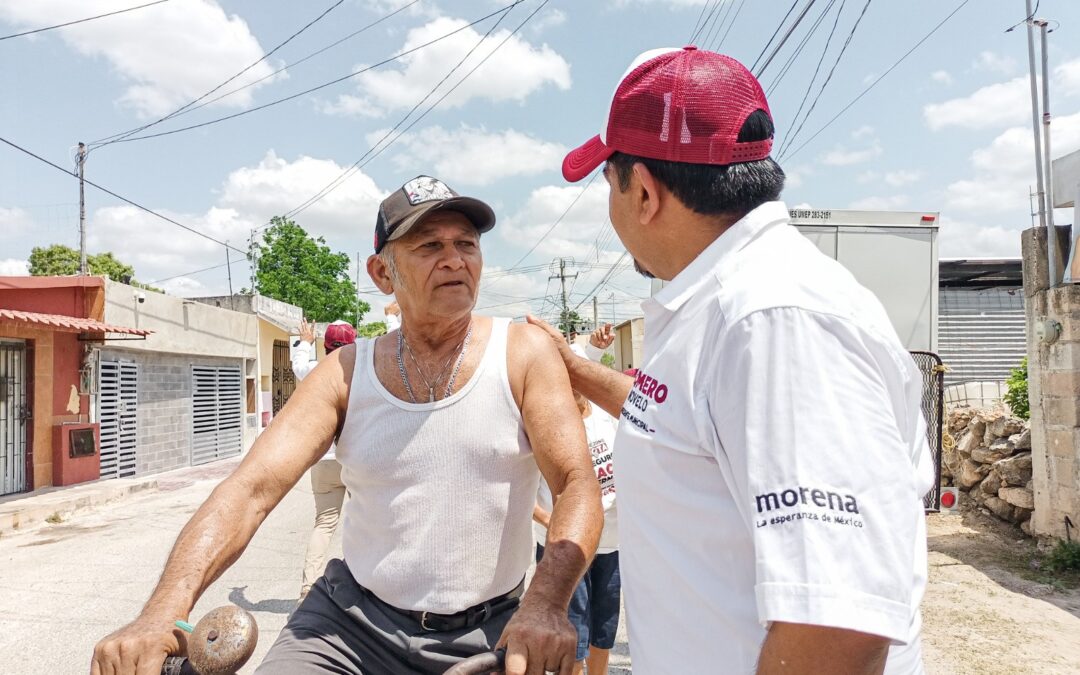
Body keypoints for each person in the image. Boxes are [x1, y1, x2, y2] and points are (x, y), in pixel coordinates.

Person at [93, 175, 602, 675]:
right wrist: (162, 612)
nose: (454, 259)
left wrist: (546, 603)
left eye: (466, 243)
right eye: (429, 246)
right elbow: (249, 490)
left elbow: (576, 483)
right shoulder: (345, 372)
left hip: (493, 628)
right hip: (350, 628)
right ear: (383, 274)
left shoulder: (522, 354)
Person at [528, 47, 933, 674]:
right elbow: (675, 419)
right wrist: (575, 367)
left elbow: (836, 623)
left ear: (643, 191)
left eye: (608, 185)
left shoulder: (775, 322)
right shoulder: (720, 305)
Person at [533, 350, 620, 675]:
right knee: (574, 633)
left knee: (604, 630)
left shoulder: (603, 418)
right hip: (566, 546)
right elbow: (525, 496)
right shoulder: (545, 426)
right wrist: (555, 522)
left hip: (610, 543)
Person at [291, 318, 357, 600]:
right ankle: (364, 586)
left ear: (325, 345)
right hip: (355, 459)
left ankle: (308, 588)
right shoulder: (359, 372)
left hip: (324, 460)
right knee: (367, 520)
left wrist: (305, 341)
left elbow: (297, 365)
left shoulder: (314, 371)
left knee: (325, 523)